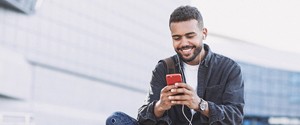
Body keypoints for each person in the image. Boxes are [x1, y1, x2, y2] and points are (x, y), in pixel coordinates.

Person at [106, 5, 244, 125]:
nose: (183, 43)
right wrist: (160, 106)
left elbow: (236, 118)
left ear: (204, 34)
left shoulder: (229, 69)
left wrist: (200, 105)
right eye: (177, 38)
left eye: (190, 36)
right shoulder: (163, 68)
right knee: (116, 119)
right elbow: (143, 119)